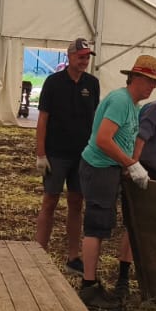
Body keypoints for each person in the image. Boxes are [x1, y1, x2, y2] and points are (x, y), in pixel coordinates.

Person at [77, 54, 156, 310]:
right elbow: (103, 139)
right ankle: (88, 286)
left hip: (108, 169)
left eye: (154, 83)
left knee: (101, 225)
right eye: (149, 81)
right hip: (99, 168)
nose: (152, 87)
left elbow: (120, 138)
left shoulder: (133, 105)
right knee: (96, 226)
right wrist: (130, 163)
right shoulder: (121, 101)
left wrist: (126, 164)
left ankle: (91, 283)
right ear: (135, 78)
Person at [34, 37, 100, 275]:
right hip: (56, 154)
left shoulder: (92, 84)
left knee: (76, 202)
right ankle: (38, 254)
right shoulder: (53, 82)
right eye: (80, 57)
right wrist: (41, 153)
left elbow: (95, 118)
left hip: (82, 155)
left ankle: (73, 257)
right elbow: (43, 119)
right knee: (49, 201)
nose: (84, 61)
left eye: (87, 57)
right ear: (70, 56)